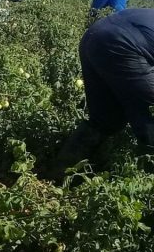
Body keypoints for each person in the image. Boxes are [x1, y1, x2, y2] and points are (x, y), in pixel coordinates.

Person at [56, 9, 154, 171]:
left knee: (106, 118)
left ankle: (61, 171)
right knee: (150, 116)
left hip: (93, 36)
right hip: (122, 44)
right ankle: (148, 181)